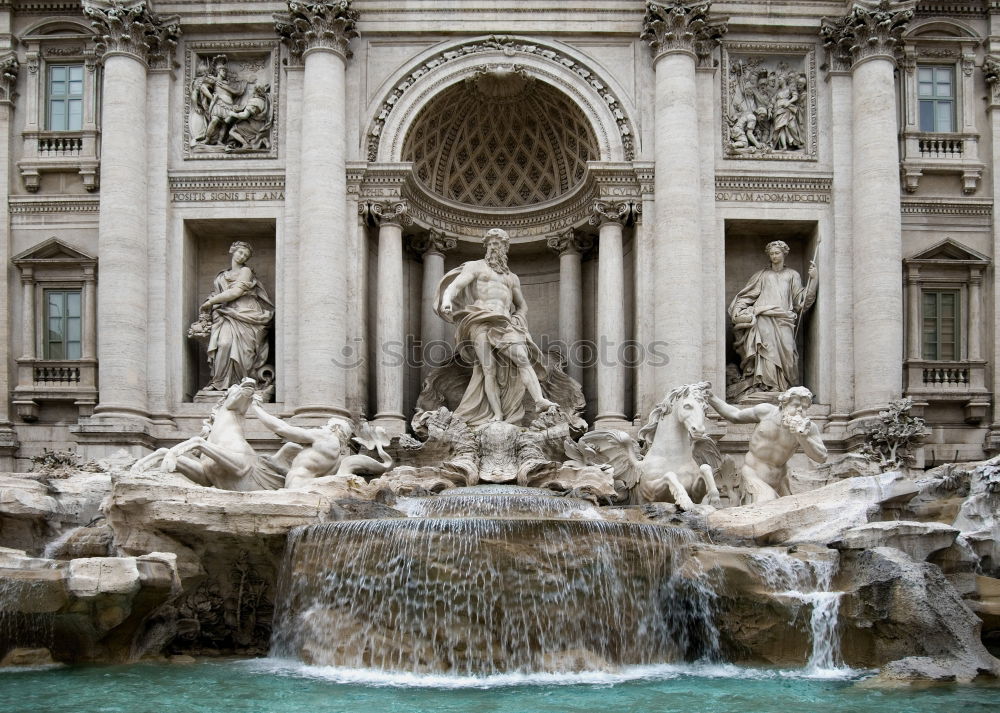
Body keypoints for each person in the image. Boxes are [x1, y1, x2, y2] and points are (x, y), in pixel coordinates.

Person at [436, 228, 557, 425]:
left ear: (505, 248)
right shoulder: (476, 267)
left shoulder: (512, 278)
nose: (493, 247)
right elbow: (456, 286)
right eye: (490, 243)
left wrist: (518, 317)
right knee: (488, 369)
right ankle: (497, 414)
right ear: (486, 247)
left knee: (522, 359)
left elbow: (522, 305)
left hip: (504, 323)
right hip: (479, 320)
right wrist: (447, 301)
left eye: (498, 244)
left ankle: (539, 400)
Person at [706, 386, 827, 503]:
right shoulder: (766, 412)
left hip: (780, 481)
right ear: (784, 404)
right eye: (795, 405)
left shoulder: (809, 429)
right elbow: (735, 415)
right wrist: (711, 397)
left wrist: (803, 437)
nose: (800, 410)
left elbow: (821, 457)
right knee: (767, 502)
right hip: (753, 475)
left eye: (804, 407)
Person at [729, 240, 817, 394]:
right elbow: (747, 296)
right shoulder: (762, 275)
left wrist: (814, 280)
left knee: (789, 353)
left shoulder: (792, 275)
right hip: (764, 317)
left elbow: (801, 302)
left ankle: (786, 387)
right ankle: (768, 386)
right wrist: (738, 309)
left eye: (777, 253)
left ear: (784, 254)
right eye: (771, 254)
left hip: (784, 318)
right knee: (766, 351)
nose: (774, 256)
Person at [199, 241, 273, 391]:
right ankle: (219, 382)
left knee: (244, 352)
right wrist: (211, 301)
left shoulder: (246, 271)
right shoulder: (222, 275)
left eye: (246, 255)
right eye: (240, 252)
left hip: (246, 313)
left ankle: (241, 384)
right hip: (227, 313)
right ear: (232, 251)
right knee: (224, 344)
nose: (242, 256)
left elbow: (235, 292)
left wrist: (211, 302)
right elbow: (219, 294)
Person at [249, 398, 354, 489]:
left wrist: (256, 408)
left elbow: (282, 428)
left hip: (296, 487)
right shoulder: (337, 457)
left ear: (335, 428)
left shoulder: (326, 436)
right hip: (301, 487)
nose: (323, 427)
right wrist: (277, 467)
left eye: (327, 425)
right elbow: (308, 473)